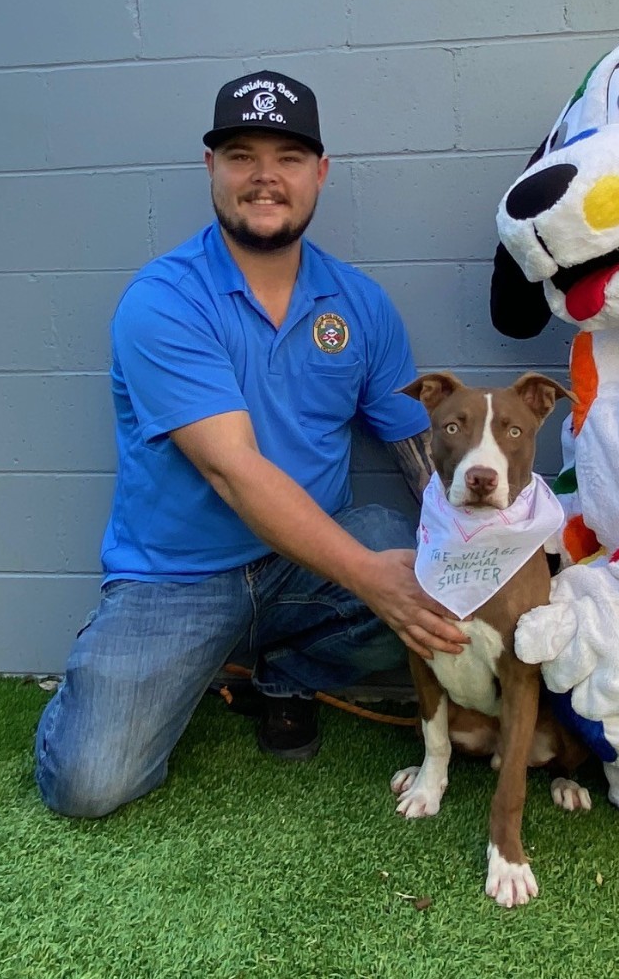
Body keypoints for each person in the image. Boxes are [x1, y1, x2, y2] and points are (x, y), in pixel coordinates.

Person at [35, 70, 468, 818]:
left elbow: (417, 452)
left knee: (421, 569)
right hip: (177, 579)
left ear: (320, 173)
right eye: (242, 155)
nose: (266, 177)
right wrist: (372, 579)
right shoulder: (165, 300)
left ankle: (284, 674)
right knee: (87, 783)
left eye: (288, 158)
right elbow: (232, 469)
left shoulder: (359, 304)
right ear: (212, 167)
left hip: (309, 563)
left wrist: (478, 557)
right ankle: (114, 666)